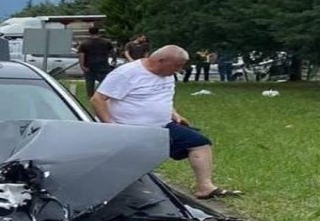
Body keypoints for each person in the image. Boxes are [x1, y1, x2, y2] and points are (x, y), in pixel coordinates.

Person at [91, 45, 242, 200]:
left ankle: (205, 187)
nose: (179, 70)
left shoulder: (167, 74)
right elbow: (98, 99)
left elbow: (160, 97)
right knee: (131, 163)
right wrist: (111, 125)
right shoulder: (127, 73)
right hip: (129, 129)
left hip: (162, 126)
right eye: (177, 65)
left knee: (199, 143)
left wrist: (175, 114)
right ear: (161, 61)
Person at [75, 26, 115, 97]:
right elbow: (112, 52)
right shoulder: (106, 42)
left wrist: (82, 66)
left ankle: (91, 97)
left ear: (89, 33)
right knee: (104, 82)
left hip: (89, 66)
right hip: (103, 65)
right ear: (98, 32)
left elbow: (81, 55)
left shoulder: (84, 43)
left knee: (90, 83)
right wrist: (113, 60)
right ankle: (102, 95)